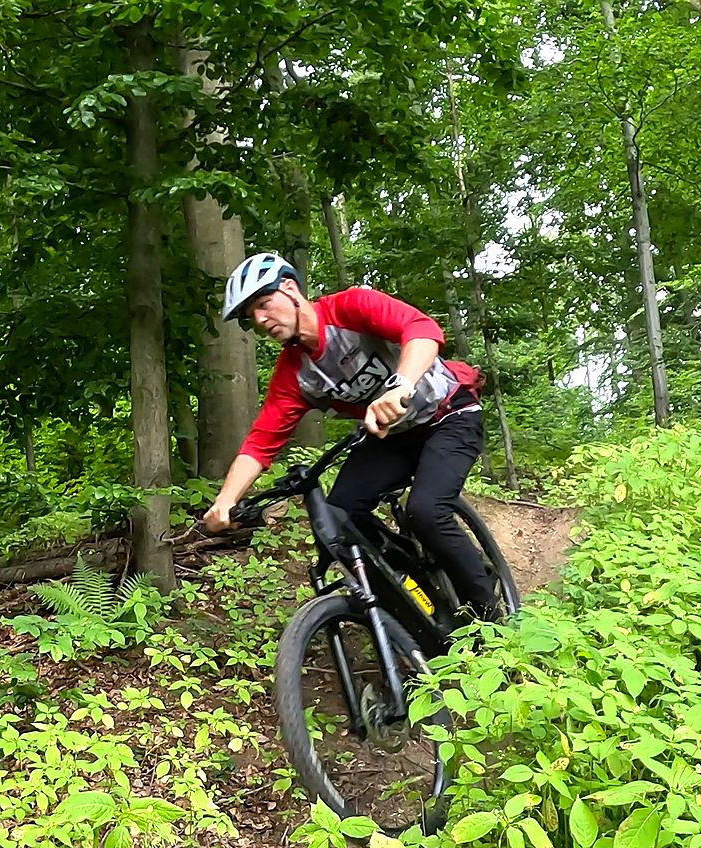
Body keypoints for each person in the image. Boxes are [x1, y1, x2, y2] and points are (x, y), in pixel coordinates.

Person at [201, 251, 501, 618]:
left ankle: (490, 617)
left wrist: (400, 385)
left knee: (426, 511)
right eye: (252, 316)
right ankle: (417, 598)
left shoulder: (350, 308)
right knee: (339, 516)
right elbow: (261, 443)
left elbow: (423, 331)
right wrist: (225, 501)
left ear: (291, 289)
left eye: (264, 304)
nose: (261, 320)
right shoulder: (295, 374)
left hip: (449, 413)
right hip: (393, 437)